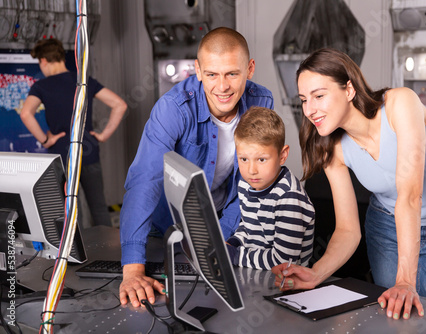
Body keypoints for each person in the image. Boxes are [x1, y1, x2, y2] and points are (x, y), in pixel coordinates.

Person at [272, 48, 426, 321]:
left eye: (319, 96)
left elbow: (411, 197)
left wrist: (404, 281)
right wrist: (315, 273)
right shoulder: (332, 147)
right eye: (304, 99)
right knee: (395, 318)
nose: (309, 110)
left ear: (349, 90)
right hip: (386, 227)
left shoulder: (400, 104)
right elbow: (347, 230)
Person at [119, 27, 274, 308]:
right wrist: (132, 269)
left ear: (249, 69)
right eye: (212, 74)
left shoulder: (261, 102)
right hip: (165, 228)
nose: (222, 86)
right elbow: (145, 179)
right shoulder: (174, 108)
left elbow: (249, 183)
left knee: (224, 307)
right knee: (164, 306)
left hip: (217, 226)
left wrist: (221, 241)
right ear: (198, 70)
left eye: (232, 74)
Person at [20, 38, 128, 227]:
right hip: (89, 153)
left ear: (43, 61)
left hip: (62, 158)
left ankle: (73, 255)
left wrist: (45, 140)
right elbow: (120, 104)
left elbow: (26, 113)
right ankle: (109, 255)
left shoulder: (42, 86)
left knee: (68, 212)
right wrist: (103, 135)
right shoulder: (83, 81)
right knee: (99, 209)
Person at [225, 106, 315, 270]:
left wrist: (236, 256)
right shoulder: (247, 184)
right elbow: (249, 226)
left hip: (285, 283)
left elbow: (284, 262)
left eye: (261, 160)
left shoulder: (289, 197)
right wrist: (234, 243)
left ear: (282, 155)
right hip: (254, 273)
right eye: (244, 159)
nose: (251, 170)